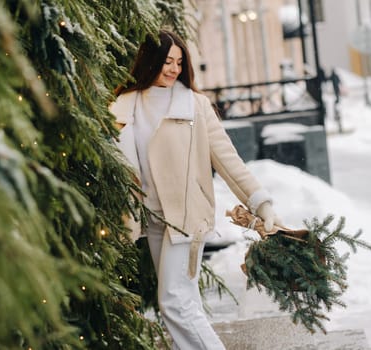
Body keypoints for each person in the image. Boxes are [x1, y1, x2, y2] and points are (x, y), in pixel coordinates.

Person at [110, 29, 281, 349]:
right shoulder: (125, 105)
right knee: (184, 301)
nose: (173, 69)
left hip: (186, 217)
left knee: (174, 301)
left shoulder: (195, 106)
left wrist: (260, 202)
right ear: (149, 62)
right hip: (152, 217)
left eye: (178, 62)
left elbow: (229, 161)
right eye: (166, 61)